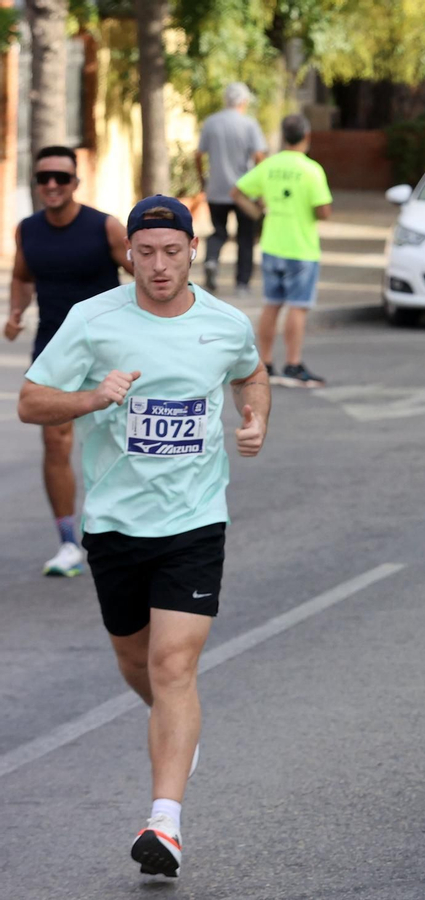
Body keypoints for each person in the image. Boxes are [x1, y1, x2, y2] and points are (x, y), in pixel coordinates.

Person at [17, 195, 270, 880]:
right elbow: (31, 401)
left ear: (192, 250)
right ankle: (178, 728)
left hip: (194, 520)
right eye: (145, 252)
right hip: (115, 523)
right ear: (128, 253)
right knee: (136, 661)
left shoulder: (224, 323)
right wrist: (94, 397)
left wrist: (255, 419)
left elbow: (251, 371)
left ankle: (166, 822)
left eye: (171, 251)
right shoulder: (93, 320)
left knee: (172, 666)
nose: (158, 266)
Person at [5, 145, 132, 577]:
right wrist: (16, 312)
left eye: (61, 177)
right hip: (54, 351)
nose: (52, 185)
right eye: (44, 179)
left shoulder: (105, 228)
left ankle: (121, 532)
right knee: (55, 442)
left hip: (110, 352)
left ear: (76, 182)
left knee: (119, 444)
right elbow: (22, 276)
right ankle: (67, 543)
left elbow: (149, 276)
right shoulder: (28, 230)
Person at [229, 114, 332, 388]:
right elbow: (323, 210)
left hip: (273, 244)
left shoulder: (269, 166)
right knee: (297, 308)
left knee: (271, 304)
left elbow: (237, 192)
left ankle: (265, 361)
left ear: (284, 137)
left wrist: (256, 212)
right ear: (307, 137)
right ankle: (293, 363)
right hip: (301, 247)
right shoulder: (312, 170)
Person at [194, 82, 266, 295]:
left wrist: (203, 180)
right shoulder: (249, 125)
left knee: (218, 231)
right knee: (245, 237)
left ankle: (211, 261)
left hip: (216, 188)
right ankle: (242, 284)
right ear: (244, 102)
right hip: (244, 192)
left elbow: (198, 155)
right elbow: (259, 156)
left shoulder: (211, 123)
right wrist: (261, 186)